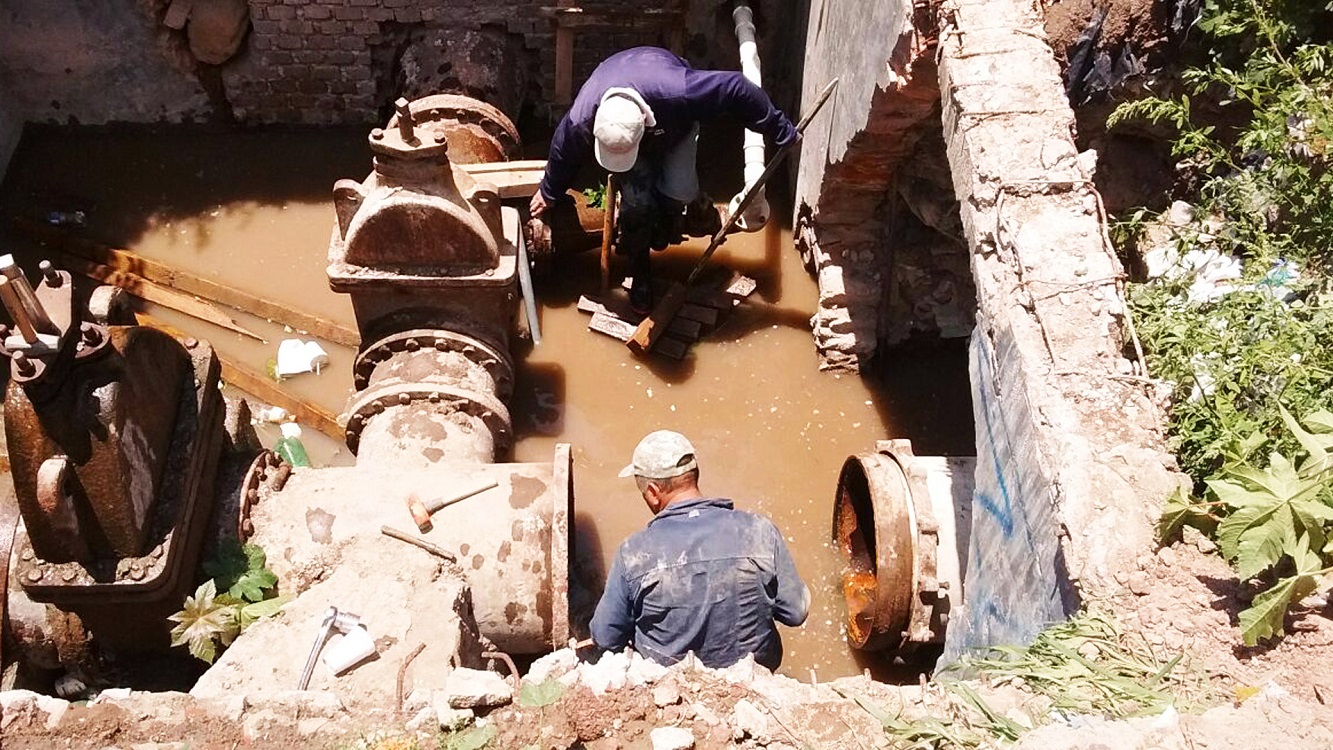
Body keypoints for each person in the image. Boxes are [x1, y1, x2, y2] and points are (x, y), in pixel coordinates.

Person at [529, 46, 799, 313]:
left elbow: (738, 88)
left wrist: (778, 127)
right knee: (637, 204)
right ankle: (640, 270)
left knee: (680, 192)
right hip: (629, 107)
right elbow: (563, 149)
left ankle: (690, 215)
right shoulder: (584, 117)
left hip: (673, 122)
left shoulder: (681, 92)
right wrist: (549, 190)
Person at [589, 430, 810, 670]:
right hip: (754, 675)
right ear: (695, 474)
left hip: (672, 684)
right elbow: (796, 612)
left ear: (653, 493)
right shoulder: (759, 531)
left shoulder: (633, 554)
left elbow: (605, 636)